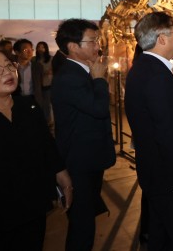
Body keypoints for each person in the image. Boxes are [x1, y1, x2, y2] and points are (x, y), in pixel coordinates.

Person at [125, 12, 173, 250]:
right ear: (162, 38)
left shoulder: (143, 68)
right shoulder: (156, 76)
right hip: (168, 180)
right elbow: (167, 134)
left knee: (160, 235)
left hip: (155, 176)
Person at [0, 50, 73, 250]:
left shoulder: (28, 105)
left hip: (33, 203)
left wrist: (63, 177)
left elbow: (47, 144)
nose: (6, 72)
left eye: (8, 65)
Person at [51, 19, 116, 251]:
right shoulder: (69, 76)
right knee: (82, 225)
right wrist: (99, 79)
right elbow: (98, 109)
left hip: (89, 158)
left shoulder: (81, 71)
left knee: (86, 221)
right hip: (78, 163)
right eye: (92, 41)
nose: (98, 45)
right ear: (73, 46)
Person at [14, 39, 43, 106]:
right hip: (17, 100)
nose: (30, 52)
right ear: (17, 52)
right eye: (26, 50)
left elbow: (40, 84)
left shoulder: (37, 66)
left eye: (31, 49)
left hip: (33, 100)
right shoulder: (11, 67)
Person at [35, 41, 54, 126]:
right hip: (38, 85)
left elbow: (52, 71)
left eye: (42, 47)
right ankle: (43, 121)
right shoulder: (34, 60)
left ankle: (48, 121)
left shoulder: (50, 59)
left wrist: (47, 72)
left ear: (46, 48)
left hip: (48, 84)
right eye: (39, 47)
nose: (40, 49)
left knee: (47, 104)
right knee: (40, 103)